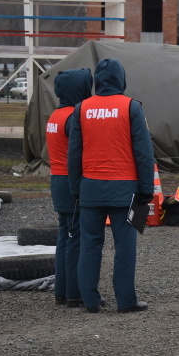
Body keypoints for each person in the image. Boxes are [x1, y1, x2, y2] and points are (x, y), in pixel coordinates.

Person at [67, 58, 153, 313]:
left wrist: (76, 189)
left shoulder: (81, 109)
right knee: (125, 247)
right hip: (126, 190)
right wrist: (146, 189)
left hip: (90, 188)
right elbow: (143, 153)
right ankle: (126, 301)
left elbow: (74, 153)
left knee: (90, 245)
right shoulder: (131, 108)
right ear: (121, 79)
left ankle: (91, 301)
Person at [46, 68, 93, 308]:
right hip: (71, 180)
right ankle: (75, 292)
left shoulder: (55, 115)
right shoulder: (74, 116)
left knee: (65, 236)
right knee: (76, 238)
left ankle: (62, 292)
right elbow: (82, 150)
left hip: (57, 179)